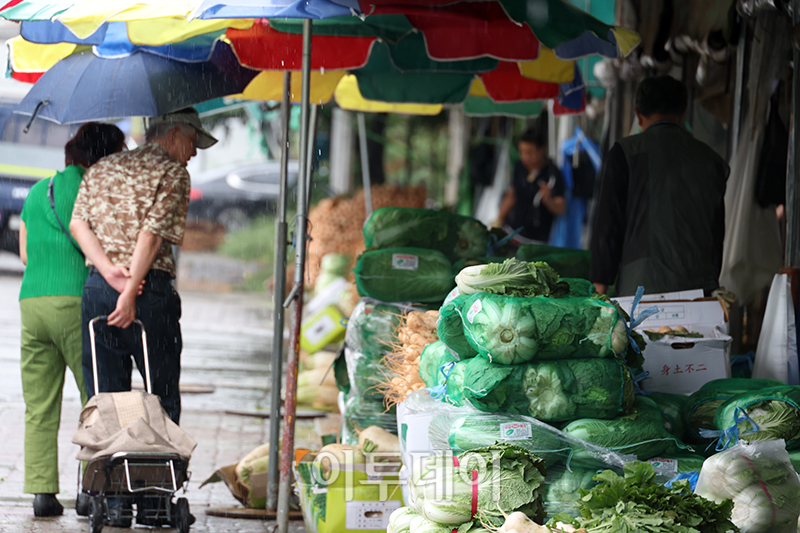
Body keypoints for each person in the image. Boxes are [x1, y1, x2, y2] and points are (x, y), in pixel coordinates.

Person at [70, 108, 215, 527]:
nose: (191, 155)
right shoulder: (171, 173)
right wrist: (132, 289)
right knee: (159, 396)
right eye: (192, 143)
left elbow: (79, 225)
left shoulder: (103, 167)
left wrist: (111, 275)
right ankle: (153, 503)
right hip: (147, 295)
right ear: (173, 135)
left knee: (105, 398)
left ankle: (114, 503)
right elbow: (151, 234)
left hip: (100, 289)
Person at [18, 123, 126, 517]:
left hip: (32, 303)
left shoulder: (37, 190)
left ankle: (42, 493)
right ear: (103, 158)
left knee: (39, 404)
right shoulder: (93, 190)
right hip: (75, 301)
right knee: (94, 398)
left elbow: (26, 255)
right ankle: (89, 490)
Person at [589, 76, 729, 297]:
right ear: (683, 113)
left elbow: (608, 227)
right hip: (700, 292)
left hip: (641, 293)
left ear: (638, 114)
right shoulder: (711, 160)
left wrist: (599, 289)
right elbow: (716, 233)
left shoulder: (624, 153)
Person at [496, 127, 566, 245]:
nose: (524, 157)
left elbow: (561, 208)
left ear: (541, 150)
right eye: (522, 152)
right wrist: (498, 219)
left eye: (529, 153)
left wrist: (547, 200)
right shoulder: (519, 167)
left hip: (537, 241)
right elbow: (512, 195)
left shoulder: (552, 174)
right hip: (513, 233)